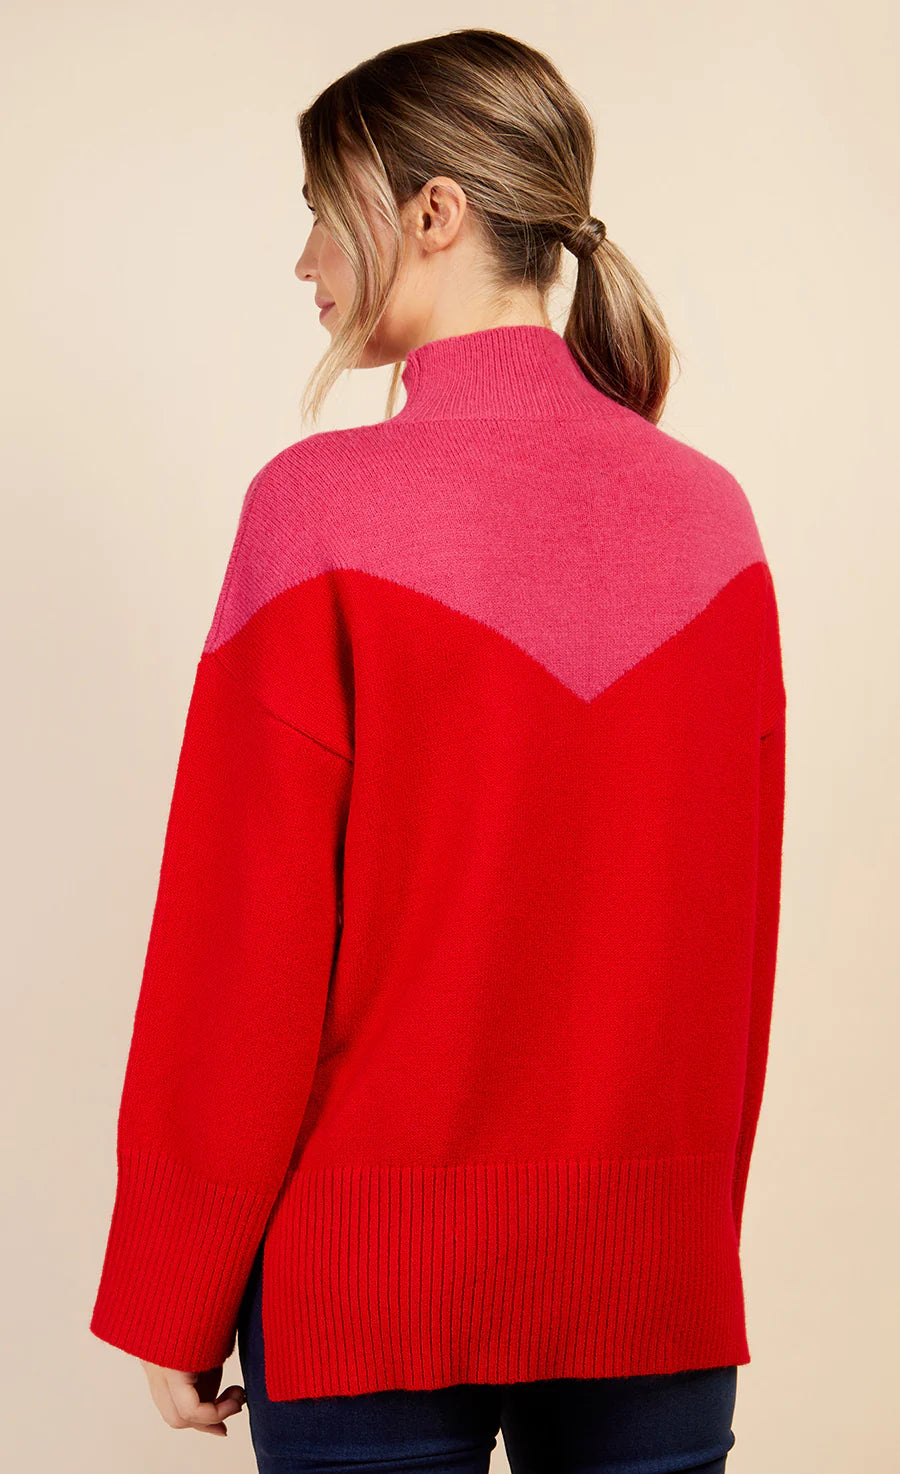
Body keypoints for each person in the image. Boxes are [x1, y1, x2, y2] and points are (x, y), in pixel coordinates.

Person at [89, 27, 786, 1474]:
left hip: (364, 1295)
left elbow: (244, 939)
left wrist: (175, 1279)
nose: (304, 261)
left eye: (319, 210)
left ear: (434, 212)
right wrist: (673, 1233)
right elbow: (731, 945)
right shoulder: (710, 518)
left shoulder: (319, 510)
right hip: (655, 1285)